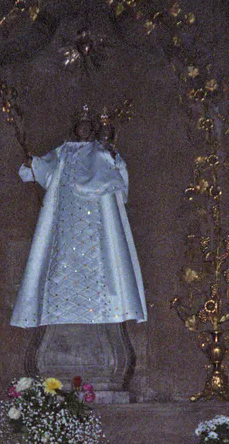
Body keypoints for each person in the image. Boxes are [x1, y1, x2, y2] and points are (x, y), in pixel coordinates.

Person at [10, 105, 148, 328]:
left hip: (99, 215)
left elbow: (118, 172)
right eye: (81, 127)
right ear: (76, 129)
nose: (84, 131)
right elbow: (46, 167)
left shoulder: (101, 150)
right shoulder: (64, 151)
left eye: (88, 127)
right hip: (67, 216)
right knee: (62, 256)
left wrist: (112, 156)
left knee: (105, 253)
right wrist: (34, 163)